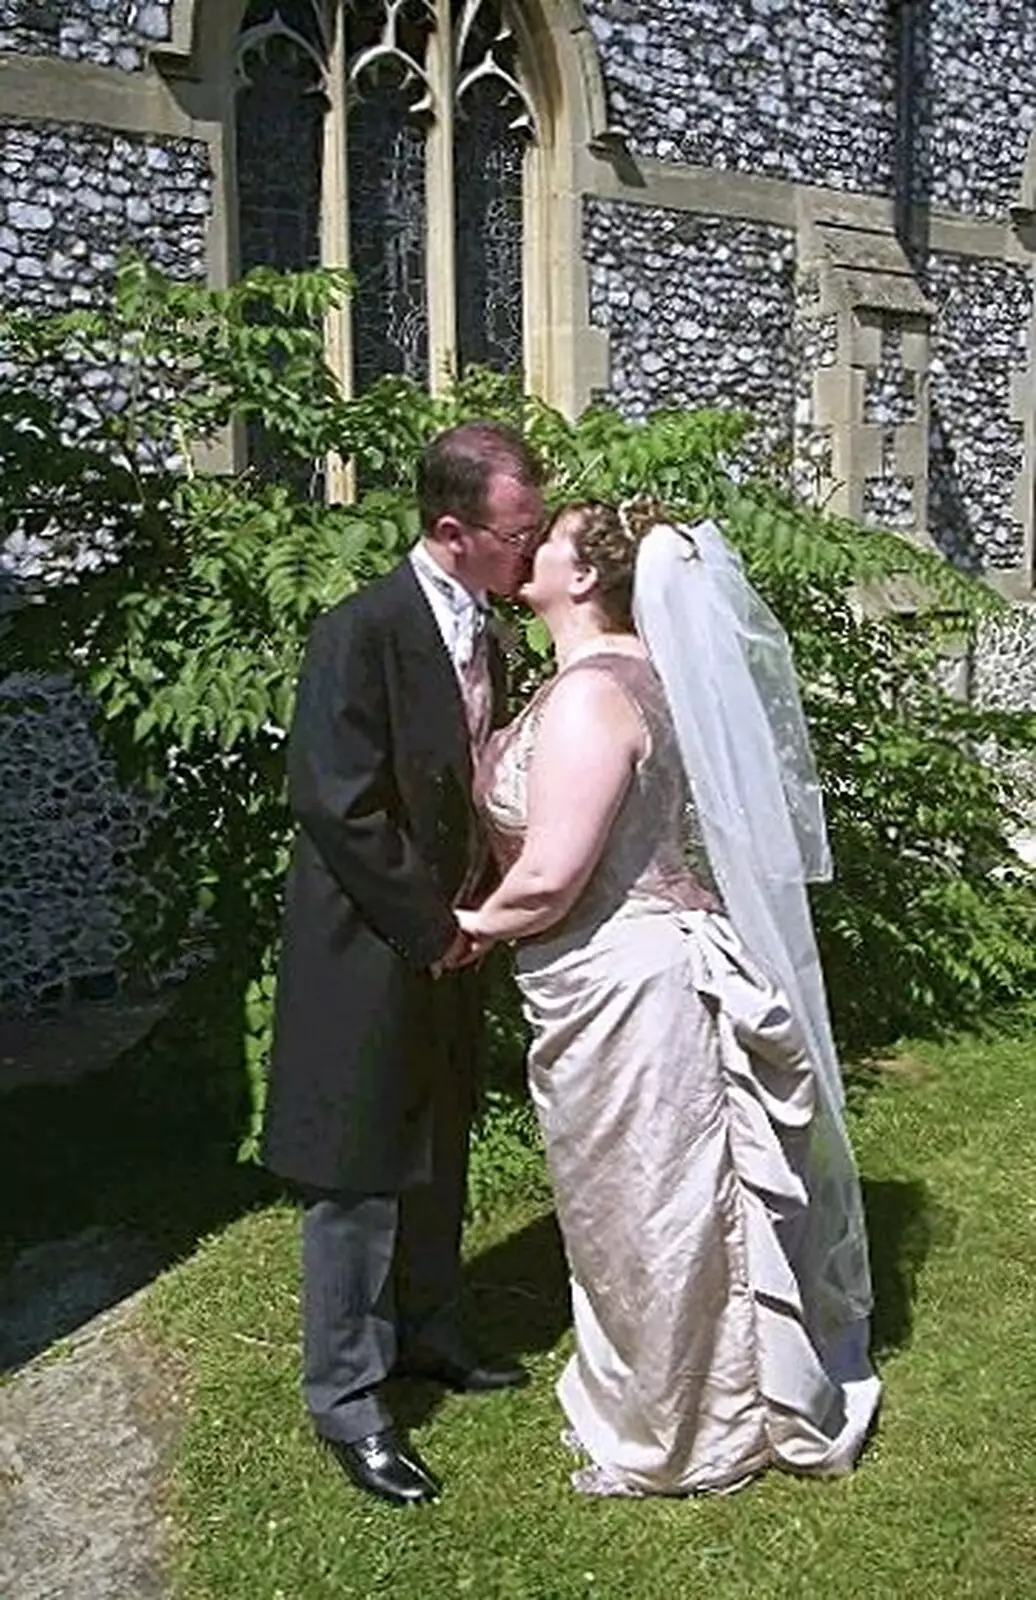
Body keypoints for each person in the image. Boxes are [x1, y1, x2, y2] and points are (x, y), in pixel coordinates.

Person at [458, 500, 881, 1497]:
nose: (528, 549)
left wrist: (462, 930)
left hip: (630, 980)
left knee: (659, 1209)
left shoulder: (594, 697)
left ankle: (696, 1424)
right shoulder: (625, 677)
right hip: (605, 974)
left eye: (546, 540)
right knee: (628, 1205)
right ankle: (664, 1392)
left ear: (583, 576)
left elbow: (555, 875)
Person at [262, 421, 545, 1507]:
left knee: (439, 1139)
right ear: (449, 530)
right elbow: (336, 801)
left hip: (451, 937)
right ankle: (346, 1397)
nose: (528, 553)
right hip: (370, 947)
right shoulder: (361, 629)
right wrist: (433, 928)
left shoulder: (491, 627)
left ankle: (429, 1330)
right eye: (515, 535)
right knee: (357, 1170)